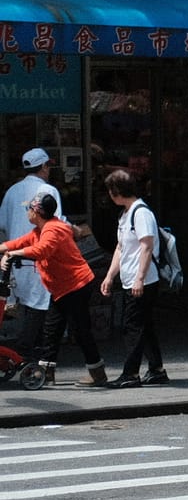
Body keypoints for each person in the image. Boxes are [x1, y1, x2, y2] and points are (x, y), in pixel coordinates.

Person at [1, 191, 106, 388]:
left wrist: (13, 254)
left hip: (76, 286)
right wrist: (5, 249)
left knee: (80, 330)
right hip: (62, 288)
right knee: (52, 328)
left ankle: (97, 373)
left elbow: (42, 251)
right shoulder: (40, 230)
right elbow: (20, 242)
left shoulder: (53, 229)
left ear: (37, 212)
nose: (27, 212)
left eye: (29, 209)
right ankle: (47, 373)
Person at [100, 168, 168, 388]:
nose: (109, 195)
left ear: (117, 191)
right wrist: (110, 276)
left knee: (132, 327)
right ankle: (157, 369)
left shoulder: (141, 213)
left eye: (110, 190)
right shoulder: (126, 214)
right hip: (131, 279)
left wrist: (139, 278)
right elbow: (121, 248)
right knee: (143, 325)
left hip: (143, 282)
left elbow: (147, 246)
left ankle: (130, 374)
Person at [2, 148, 61, 339]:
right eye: (48, 165)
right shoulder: (48, 191)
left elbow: (2, 225)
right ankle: (29, 350)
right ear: (43, 167)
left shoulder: (12, 191)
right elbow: (56, 225)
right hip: (40, 260)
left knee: (25, 307)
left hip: (17, 262)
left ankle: (27, 348)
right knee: (40, 309)